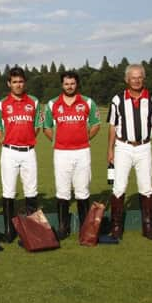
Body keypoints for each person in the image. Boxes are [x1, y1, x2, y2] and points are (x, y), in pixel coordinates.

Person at [107, 63, 152, 240]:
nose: (137, 80)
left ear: (144, 78)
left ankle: (147, 227)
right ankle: (116, 226)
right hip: (123, 147)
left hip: (143, 147)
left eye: (140, 77)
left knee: (146, 186)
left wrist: (144, 128)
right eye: (133, 77)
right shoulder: (117, 99)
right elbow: (112, 126)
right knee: (119, 186)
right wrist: (110, 150)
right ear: (127, 79)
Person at [43, 71, 100, 239]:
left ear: (77, 84)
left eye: (72, 83)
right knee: (62, 190)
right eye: (66, 83)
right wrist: (57, 140)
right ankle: (63, 227)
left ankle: (85, 227)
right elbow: (46, 127)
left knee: (82, 190)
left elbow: (96, 124)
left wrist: (85, 137)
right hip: (61, 152)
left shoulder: (88, 102)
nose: (69, 86)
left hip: (82, 151)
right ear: (62, 85)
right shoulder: (53, 104)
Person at [0, 67, 41, 242]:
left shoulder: (34, 102)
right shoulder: (1, 104)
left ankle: (32, 229)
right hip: (9, 152)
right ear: (9, 84)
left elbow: (37, 127)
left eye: (20, 81)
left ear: (24, 82)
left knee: (31, 190)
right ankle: (9, 230)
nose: (18, 85)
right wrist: (7, 144)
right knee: (9, 191)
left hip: (29, 152)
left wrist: (26, 140)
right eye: (14, 82)